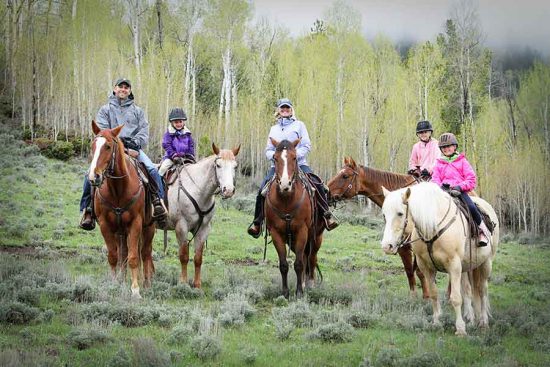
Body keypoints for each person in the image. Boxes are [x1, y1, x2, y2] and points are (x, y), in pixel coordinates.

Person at [79, 78, 167, 230]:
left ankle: (158, 203)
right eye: (121, 87)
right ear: (115, 89)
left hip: (134, 149)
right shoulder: (105, 110)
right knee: (90, 174)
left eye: (126, 88)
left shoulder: (138, 111)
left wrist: (135, 144)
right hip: (110, 149)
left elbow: (144, 131)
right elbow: (103, 131)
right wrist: (118, 145)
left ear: (130, 91)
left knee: (152, 170)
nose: (123, 89)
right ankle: (87, 209)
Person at [247, 98, 338, 238]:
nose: (285, 110)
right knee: (262, 188)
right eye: (282, 108)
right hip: (278, 165)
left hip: (299, 163)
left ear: (291, 110)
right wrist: (277, 157)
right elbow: (268, 150)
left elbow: (306, 145)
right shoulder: (273, 129)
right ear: (278, 110)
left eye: (287, 108)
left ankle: (327, 215)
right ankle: (257, 222)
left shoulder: (299, 125)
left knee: (318, 184)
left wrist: (293, 156)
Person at [431, 132, 490, 246]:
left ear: (454, 146)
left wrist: (460, 186)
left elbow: (471, 179)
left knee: (472, 207)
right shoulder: (439, 163)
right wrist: (440, 187)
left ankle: (482, 232)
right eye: (444, 147)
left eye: (448, 146)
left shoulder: (462, 161)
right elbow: (435, 179)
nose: (446, 149)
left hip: (459, 192)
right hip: (443, 193)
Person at [158, 107, 195, 177]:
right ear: (172, 123)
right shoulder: (168, 134)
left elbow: (191, 145)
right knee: (162, 169)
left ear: (183, 122)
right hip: (171, 158)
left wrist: (191, 155)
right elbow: (166, 145)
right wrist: (173, 155)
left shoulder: (187, 134)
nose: (179, 124)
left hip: (186, 157)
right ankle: (158, 186)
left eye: (180, 122)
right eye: (176, 122)